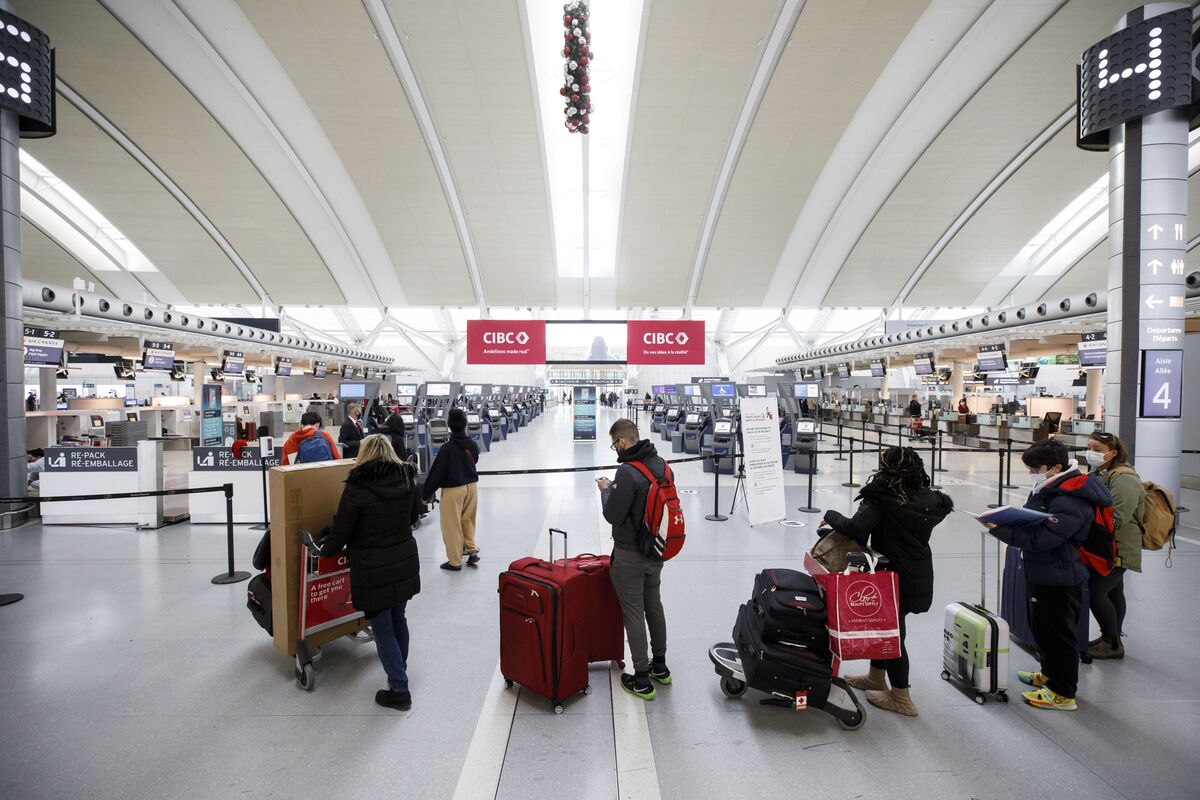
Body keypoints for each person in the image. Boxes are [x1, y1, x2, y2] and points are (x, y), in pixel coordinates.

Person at [821, 447, 953, 716]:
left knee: (893, 635)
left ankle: (902, 697)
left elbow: (857, 528)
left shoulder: (883, 496)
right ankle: (876, 677)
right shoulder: (930, 500)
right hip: (917, 571)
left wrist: (831, 515)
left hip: (890, 572)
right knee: (886, 626)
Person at [983, 439, 1111, 711]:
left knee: (1059, 634)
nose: (1032, 473)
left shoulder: (1071, 499)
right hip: (1045, 571)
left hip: (1061, 576)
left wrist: (999, 528)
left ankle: (1063, 692)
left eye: (1035, 468)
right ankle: (1050, 674)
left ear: (1055, 467)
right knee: (1042, 627)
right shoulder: (1054, 488)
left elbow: (1043, 539)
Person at [318, 434, 421, 710]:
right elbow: (414, 517)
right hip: (403, 560)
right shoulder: (407, 477)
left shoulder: (357, 486)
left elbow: (342, 531)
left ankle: (400, 689)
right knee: (399, 617)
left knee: (382, 626)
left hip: (372, 566)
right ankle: (400, 668)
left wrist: (324, 551)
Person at [596, 418, 671, 701]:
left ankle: (641, 678)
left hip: (630, 556)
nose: (616, 449)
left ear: (623, 442)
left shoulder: (626, 472)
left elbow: (614, 515)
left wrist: (606, 491)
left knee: (633, 612)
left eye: (615, 444)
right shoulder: (661, 465)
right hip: (657, 551)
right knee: (654, 605)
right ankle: (660, 667)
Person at [1084, 432, 1145, 659]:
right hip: (1107, 544)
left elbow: (1118, 517)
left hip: (1118, 546)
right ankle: (1111, 636)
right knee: (1114, 591)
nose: (1092, 453)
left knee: (1097, 592)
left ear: (1113, 453)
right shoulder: (1101, 472)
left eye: (1098, 449)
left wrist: (1085, 527)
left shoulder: (1125, 478)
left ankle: (1112, 643)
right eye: (1090, 447)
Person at [423, 408, 479, 571]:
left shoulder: (447, 448)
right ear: (465, 424)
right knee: (468, 520)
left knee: (451, 525)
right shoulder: (472, 444)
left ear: (449, 426)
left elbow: (437, 474)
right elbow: (474, 459)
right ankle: (471, 549)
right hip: (472, 488)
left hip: (454, 490)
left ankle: (455, 561)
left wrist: (425, 494)